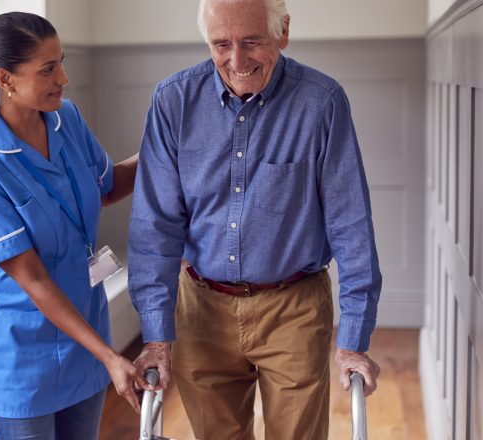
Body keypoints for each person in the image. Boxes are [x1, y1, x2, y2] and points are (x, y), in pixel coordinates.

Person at [127, 0, 383, 438]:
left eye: (252, 42)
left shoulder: (322, 103)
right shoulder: (174, 101)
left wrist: (353, 341)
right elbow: (156, 227)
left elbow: (351, 223)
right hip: (201, 309)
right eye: (221, 44)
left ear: (283, 32)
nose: (236, 60)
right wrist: (155, 336)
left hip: (294, 307)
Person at [0, 12, 142, 440]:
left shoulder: (67, 119)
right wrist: (109, 355)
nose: (64, 77)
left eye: (61, 62)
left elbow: (105, 189)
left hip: (85, 335)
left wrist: (166, 149)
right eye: (48, 69)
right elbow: (30, 277)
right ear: (5, 79)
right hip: (21, 355)